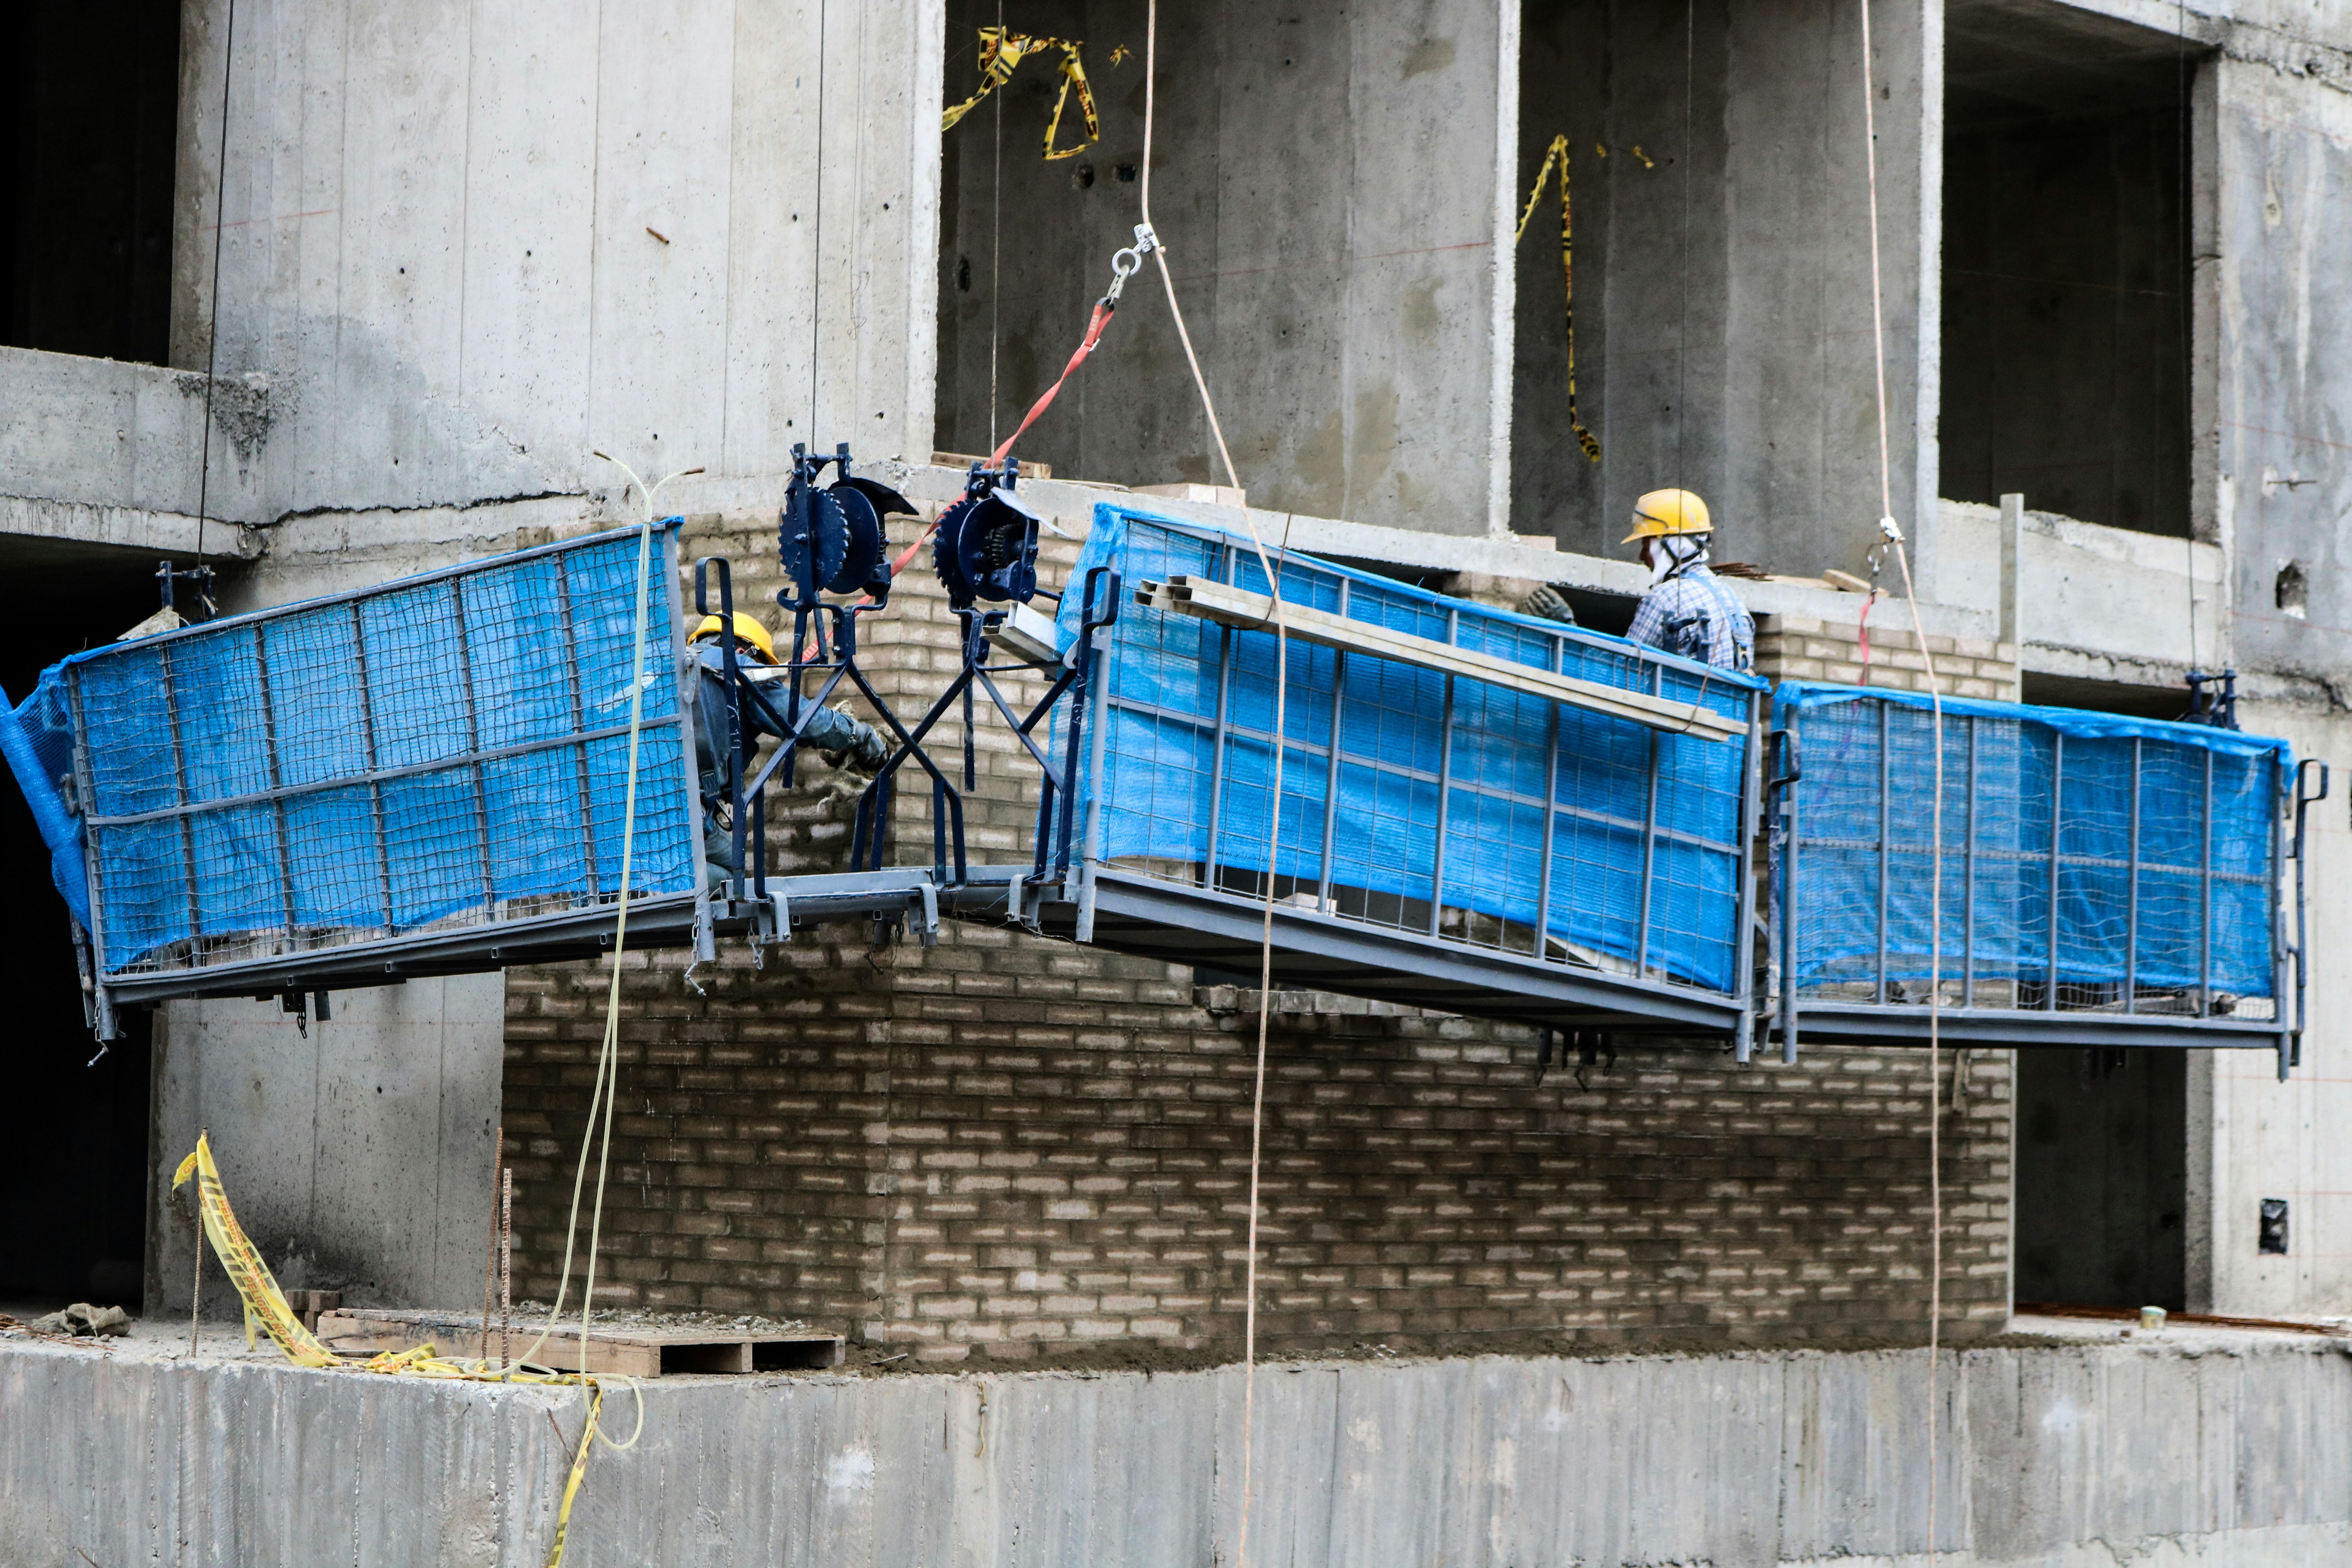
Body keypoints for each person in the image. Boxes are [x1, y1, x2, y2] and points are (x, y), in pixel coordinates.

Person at [690, 612, 886, 884]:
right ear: (741, 650)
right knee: (731, 877)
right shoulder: (734, 666)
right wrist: (859, 735)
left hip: (621, 820)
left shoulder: (661, 670)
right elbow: (803, 720)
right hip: (683, 817)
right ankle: (660, 889)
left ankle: (638, 886)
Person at [1621, 488, 1754, 672]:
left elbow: (1625, 670)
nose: (1642, 556)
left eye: (1646, 546)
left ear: (1670, 546)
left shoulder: (1663, 599)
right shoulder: (1733, 601)